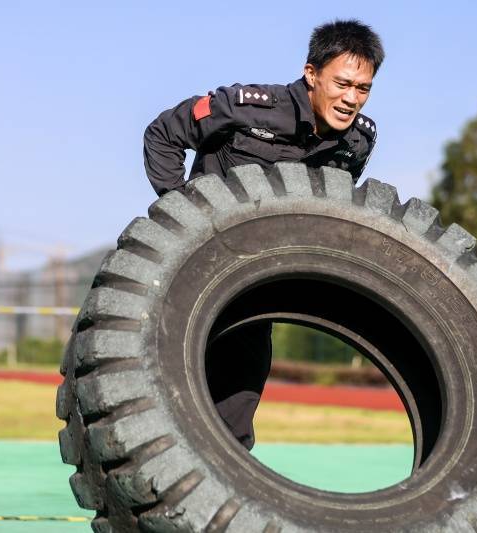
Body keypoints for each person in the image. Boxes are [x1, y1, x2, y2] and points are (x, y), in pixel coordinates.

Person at [142, 19, 384, 450]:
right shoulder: (246, 107)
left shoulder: (359, 140)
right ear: (312, 73)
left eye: (363, 88)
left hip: (254, 295)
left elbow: (332, 205)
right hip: (189, 273)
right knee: (153, 405)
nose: (351, 99)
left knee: (231, 426)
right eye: (342, 83)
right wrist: (178, 214)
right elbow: (163, 134)